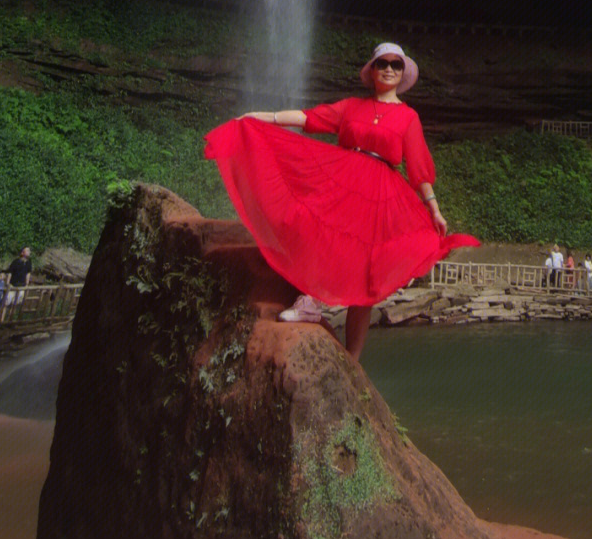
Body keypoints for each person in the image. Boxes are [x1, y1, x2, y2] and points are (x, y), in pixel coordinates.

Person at [205, 42, 479, 361]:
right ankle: (310, 301)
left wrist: (435, 208)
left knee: (368, 273)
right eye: (382, 63)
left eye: (396, 64)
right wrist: (262, 117)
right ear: (372, 70)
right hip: (345, 176)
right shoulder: (352, 106)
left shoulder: (408, 117)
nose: (389, 68)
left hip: (381, 193)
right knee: (315, 227)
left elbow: (419, 169)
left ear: (403, 73)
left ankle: (353, 359)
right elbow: (309, 119)